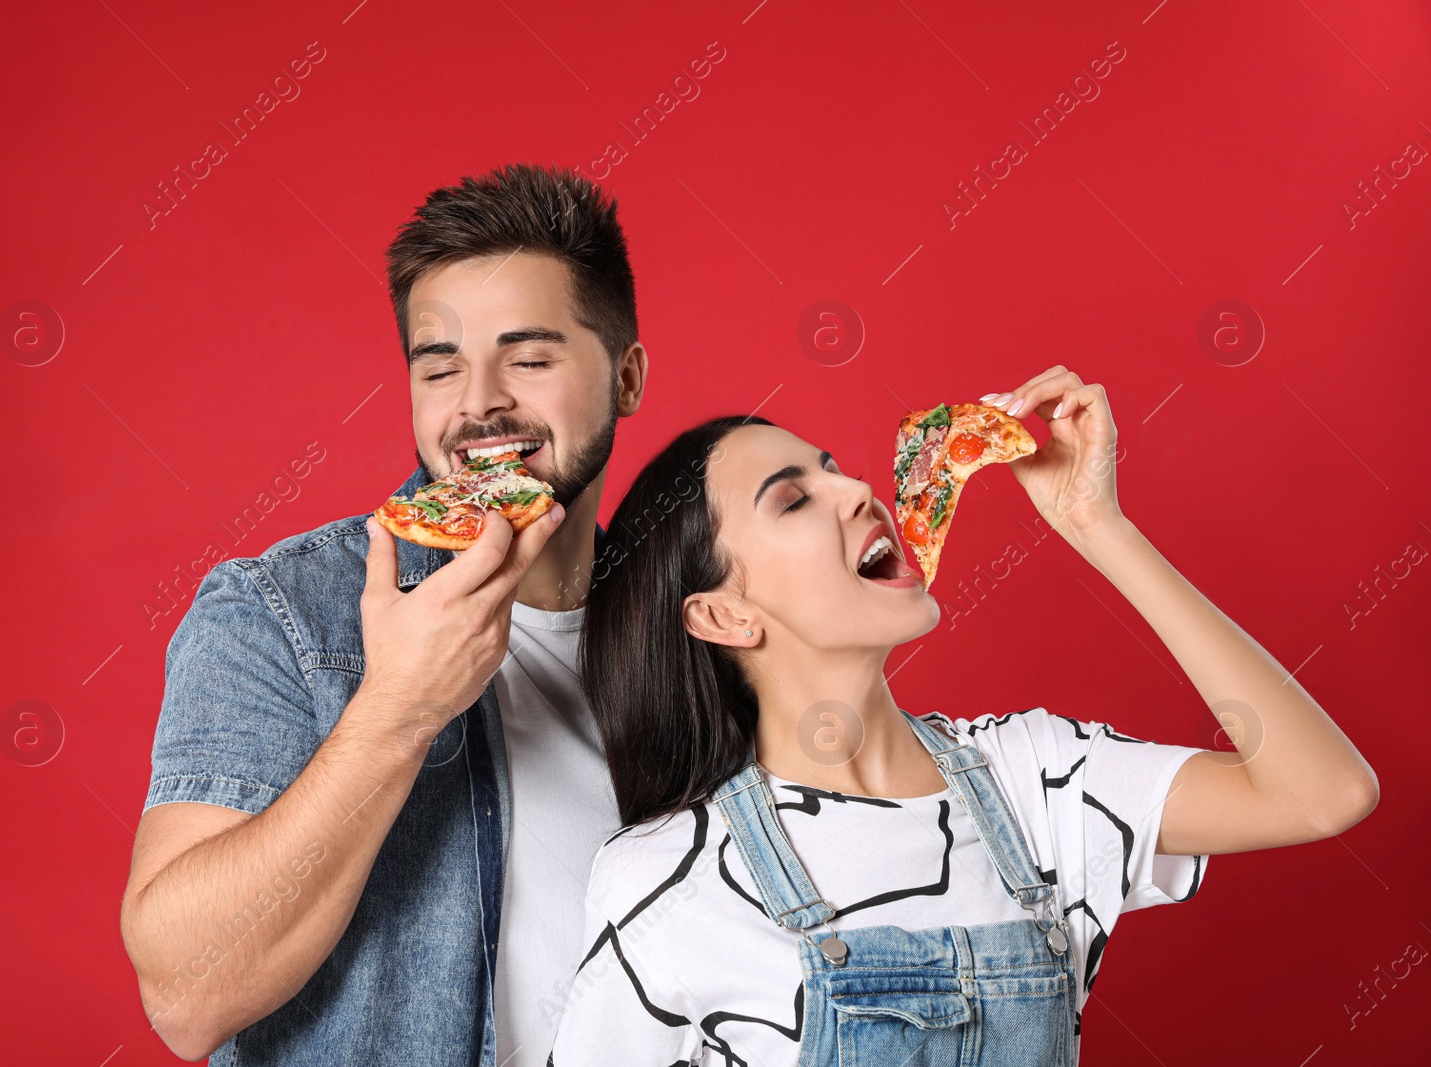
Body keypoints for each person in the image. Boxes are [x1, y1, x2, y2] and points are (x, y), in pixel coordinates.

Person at [548, 367, 1378, 1066]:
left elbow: (1324, 791)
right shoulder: (673, 877)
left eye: (834, 466)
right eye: (796, 499)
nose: (858, 489)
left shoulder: (1036, 779)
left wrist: (1098, 525)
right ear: (725, 617)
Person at [120, 164, 648, 1066]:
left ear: (627, 378)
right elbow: (183, 995)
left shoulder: (708, 628)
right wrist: (399, 708)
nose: (478, 402)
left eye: (528, 358)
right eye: (439, 366)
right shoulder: (281, 612)